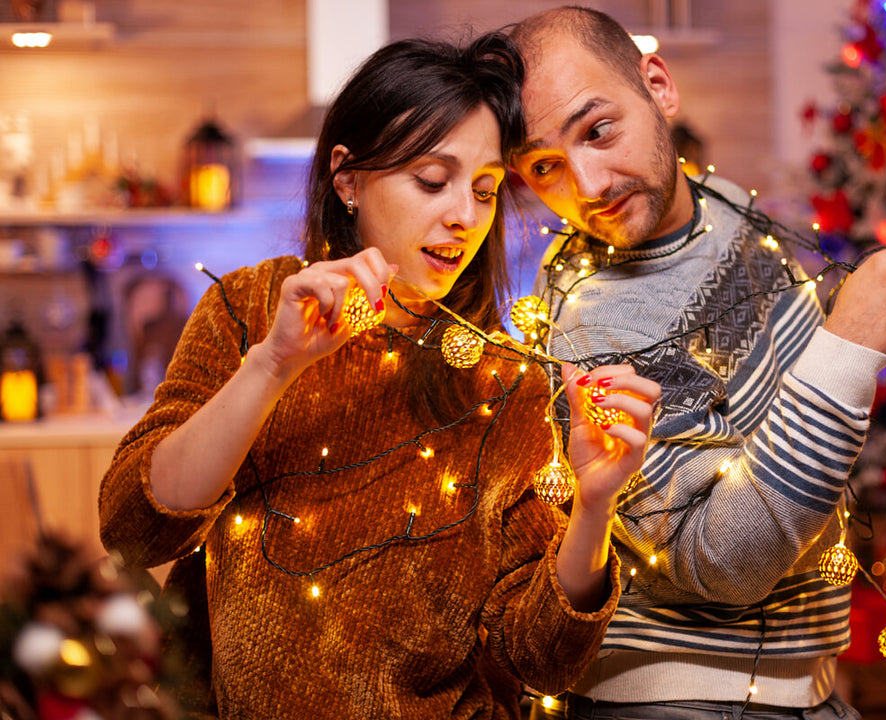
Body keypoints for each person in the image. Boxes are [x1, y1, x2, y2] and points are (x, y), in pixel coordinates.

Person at [98, 31, 661, 720]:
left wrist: (596, 506)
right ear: (348, 178)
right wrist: (274, 364)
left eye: (485, 191)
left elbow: (537, 658)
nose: (463, 216)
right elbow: (133, 531)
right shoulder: (250, 310)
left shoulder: (502, 382)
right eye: (432, 180)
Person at [508, 7, 886, 719]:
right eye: (545, 166)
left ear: (659, 87)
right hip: (686, 695)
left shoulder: (721, 204)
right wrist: (848, 342)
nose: (588, 185)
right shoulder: (595, 323)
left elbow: (772, 399)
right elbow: (718, 561)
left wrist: (881, 300)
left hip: (794, 686)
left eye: (598, 129)